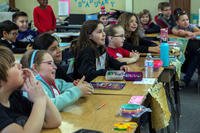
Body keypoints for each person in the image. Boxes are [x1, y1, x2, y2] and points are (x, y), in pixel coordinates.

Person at [0, 46, 61, 132]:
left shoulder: (16, 97)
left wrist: (40, 92)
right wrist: (39, 100)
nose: (20, 65)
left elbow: (54, 121)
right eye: (13, 65)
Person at [20, 50, 93, 111]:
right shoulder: (32, 87)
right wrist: (77, 91)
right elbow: (51, 105)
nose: (55, 67)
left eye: (54, 63)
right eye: (49, 63)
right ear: (35, 67)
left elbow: (72, 88)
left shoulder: (56, 82)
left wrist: (82, 86)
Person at [172, 10, 200, 86]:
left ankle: (186, 80)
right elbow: (176, 32)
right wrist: (187, 33)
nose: (186, 22)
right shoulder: (175, 27)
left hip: (192, 51)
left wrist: (193, 33)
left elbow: (199, 31)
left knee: (197, 55)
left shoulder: (191, 26)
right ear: (177, 22)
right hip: (181, 52)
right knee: (197, 55)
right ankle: (185, 79)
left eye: (187, 20)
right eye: (183, 20)